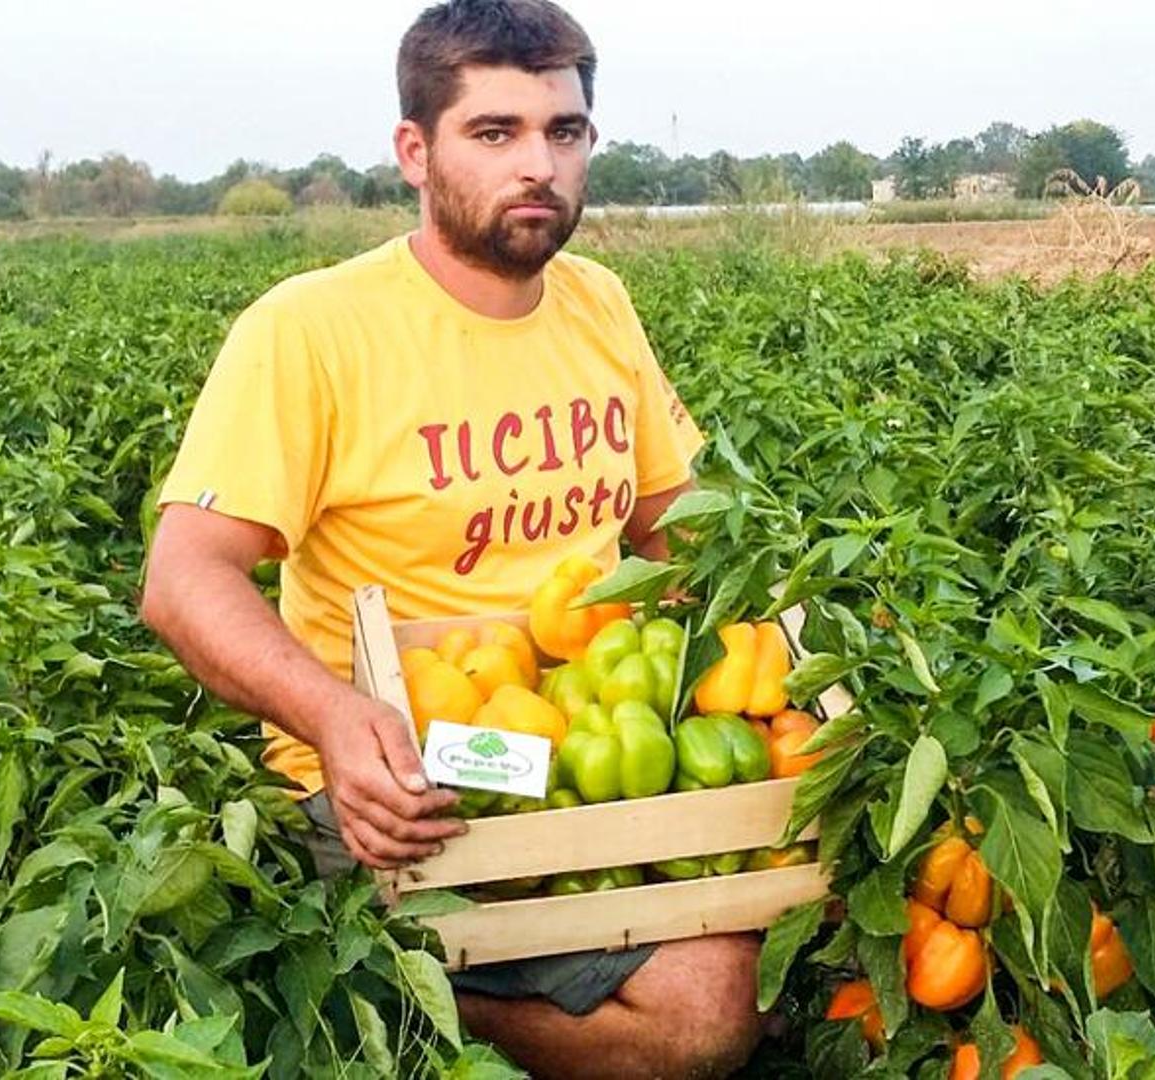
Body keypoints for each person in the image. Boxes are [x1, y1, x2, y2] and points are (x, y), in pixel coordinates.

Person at [140, 2, 762, 1075]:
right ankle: (383, 985)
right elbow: (183, 576)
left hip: (591, 719)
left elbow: (675, 528)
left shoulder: (598, 304)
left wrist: (797, 645)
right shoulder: (311, 329)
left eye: (564, 133)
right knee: (705, 1011)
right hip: (419, 764)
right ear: (414, 153)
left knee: (814, 886)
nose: (539, 165)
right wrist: (334, 719)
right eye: (496, 132)